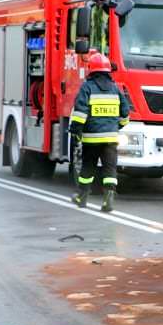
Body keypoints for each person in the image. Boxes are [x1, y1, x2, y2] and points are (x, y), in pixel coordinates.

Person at [69, 53, 130, 212]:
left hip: (91, 138)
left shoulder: (87, 87)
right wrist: (116, 127)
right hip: (111, 138)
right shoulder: (115, 88)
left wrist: (76, 131)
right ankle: (108, 200)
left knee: (88, 168)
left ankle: (81, 198)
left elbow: (80, 112)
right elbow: (125, 114)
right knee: (110, 169)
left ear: (91, 69)